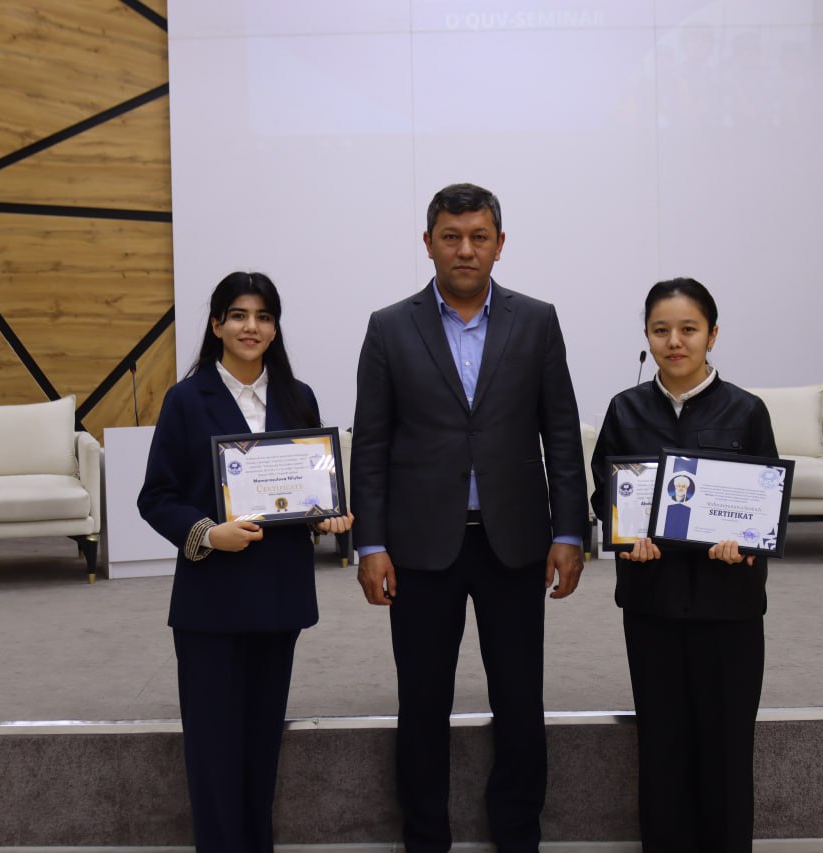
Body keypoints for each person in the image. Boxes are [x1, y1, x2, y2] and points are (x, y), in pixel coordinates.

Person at [351, 183, 588, 851]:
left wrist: (570, 530)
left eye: (478, 237)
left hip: (515, 543)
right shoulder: (388, 327)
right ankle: (426, 837)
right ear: (428, 243)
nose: (465, 249)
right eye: (451, 237)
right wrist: (370, 543)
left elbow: (561, 432)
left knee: (520, 697)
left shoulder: (536, 321)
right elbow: (370, 445)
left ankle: (516, 833)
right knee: (423, 701)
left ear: (499, 245)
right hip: (419, 548)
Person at [138, 271, 352, 852]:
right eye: (237, 315)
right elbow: (156, 497)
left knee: (261, 748)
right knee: (213, 752)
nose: (250, 326)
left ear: (275, 328)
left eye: (263, 316)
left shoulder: (298, 397)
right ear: (216, 325)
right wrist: (209, 533)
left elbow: (307, 493)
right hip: (211, 604)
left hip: (278, 599)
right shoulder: (186, 400)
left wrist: (325, 517)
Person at [590, 277, 778, 853]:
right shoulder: (625, 409)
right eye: (661, 330)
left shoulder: (746, 410)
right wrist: (626, 538)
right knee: (662, 744)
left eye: (688, 329)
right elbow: (605, 492)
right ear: (647, 336)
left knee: (727, 748)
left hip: (729, 609)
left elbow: (766, 502)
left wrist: (746, 542)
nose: (675, 341)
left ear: (712, 335)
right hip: (653, 604)